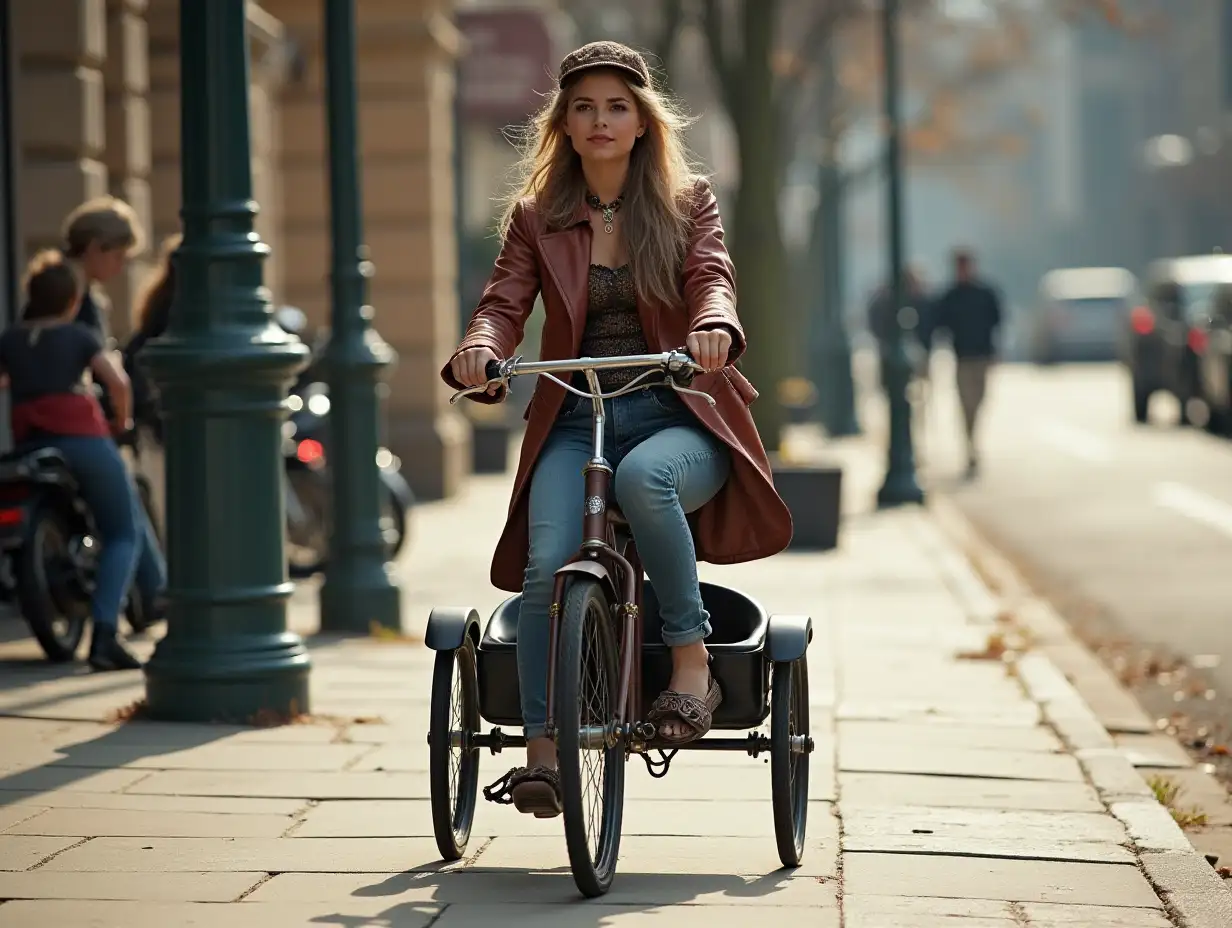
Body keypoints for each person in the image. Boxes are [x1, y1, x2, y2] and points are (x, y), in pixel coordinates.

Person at [442, 40, 792, 816]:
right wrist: (481, 349)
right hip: (573, 414)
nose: (601, 120)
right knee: (545, 566)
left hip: (677, 412)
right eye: (584, 107)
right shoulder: (537, 219)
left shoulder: (686, 200)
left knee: (645, 480)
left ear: (642, 122)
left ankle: (692, 665)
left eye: (617, 106)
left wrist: (711, 328)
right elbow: (504, 302)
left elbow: (713, 280)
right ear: (563, 124)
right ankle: (545, 756)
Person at [0, 251, 167, 672]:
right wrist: (120, 420)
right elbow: (118, 381)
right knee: (123, 532)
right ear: (73, 301)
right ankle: (106, 634)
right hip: (83, 441)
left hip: (31, 446)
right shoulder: (78, 336)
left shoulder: (11, 339)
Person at [924, 248, 1003, 476]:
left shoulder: (985, 293)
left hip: (983, 356)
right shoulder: (950, 296)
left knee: (979, 401)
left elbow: (997, 322)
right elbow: (936, 324)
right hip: (962, 358)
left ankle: (973, 439)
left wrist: (996, 352)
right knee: (965, 403)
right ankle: (970, 447)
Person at [60, 196, 146, 346]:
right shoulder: (60, 294)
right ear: (94, 247)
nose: (120, 267)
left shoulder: (90, 297)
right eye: (118, 256)